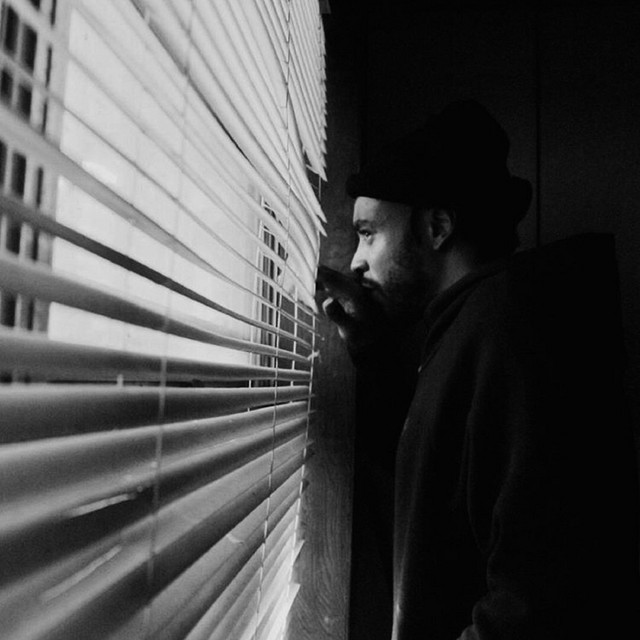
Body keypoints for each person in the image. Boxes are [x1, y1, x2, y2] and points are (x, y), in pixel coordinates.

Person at [317, 101, 640, 639]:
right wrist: (372, 350)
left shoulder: (513, 332)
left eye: (368, 233)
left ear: (438, 226)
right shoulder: (475, 329)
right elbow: (448, 484)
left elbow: (536, 599)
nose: (355, 260)